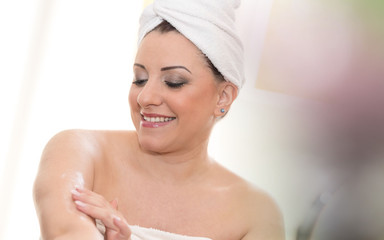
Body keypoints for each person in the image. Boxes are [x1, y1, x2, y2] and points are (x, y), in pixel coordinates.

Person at [33, 0, 284, 239]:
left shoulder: (254, 213)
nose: (145, 97)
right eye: (139, 78)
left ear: (223, 97)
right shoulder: (80, 151)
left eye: (174, 82)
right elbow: (66, 232)